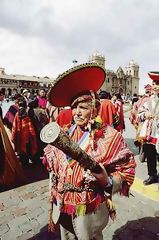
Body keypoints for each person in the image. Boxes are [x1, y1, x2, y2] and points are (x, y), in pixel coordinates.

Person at [41, 63, 136, 240]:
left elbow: (127, 168)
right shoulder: (66, 131)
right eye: (74, 107)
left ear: (94, 109)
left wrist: (107, 181)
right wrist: (50, 160)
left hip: (89, 209)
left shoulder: (110, 136)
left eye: (82, 108)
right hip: (62, 205)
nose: (76, 112)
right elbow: (52, 160)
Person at [137, 71, 159, 185]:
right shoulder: (149, 101)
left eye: (157, 83)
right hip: (149, 133)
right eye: (154, 83)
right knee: (150, 155)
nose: (155, 86)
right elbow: (139, 115)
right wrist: (145, 115)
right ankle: (152, 175)